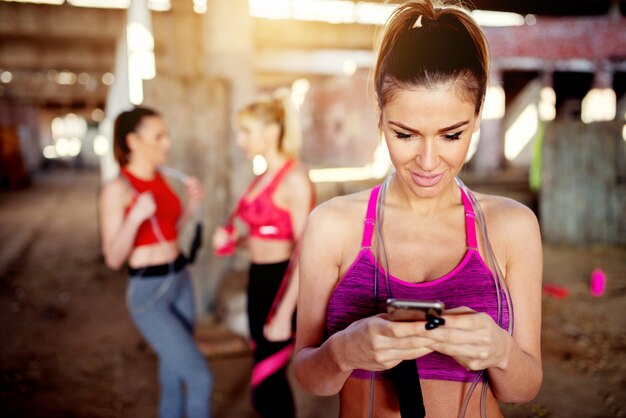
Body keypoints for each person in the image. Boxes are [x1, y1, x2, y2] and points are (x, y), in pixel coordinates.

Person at [293, 1, 543, 417]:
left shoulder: (512, 226)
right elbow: (309, 377)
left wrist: (500, 352)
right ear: (380, 116)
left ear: (478, 116)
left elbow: (522, 388)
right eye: (405, 134)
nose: (428, 161)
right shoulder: (333, 226)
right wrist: (342, 351)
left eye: (451, 135)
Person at [99, 107, 212, 418]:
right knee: (200, 377)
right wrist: (134, 218)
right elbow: (113, 258)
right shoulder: (117, 190)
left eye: (166, 135)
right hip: (149, 293)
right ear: (133, 141)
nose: (167, 143)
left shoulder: (163, 178)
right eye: (158, 136)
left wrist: (190, 206)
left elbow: (167, 233)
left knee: (173, 374)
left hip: (180, 280)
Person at [213, 91, 314, 418]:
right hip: (258, 278)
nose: (240, 140)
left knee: (267, 380)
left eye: (246, 131)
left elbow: (307, 251)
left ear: (271, 132)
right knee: (265, 375)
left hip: (282, 283)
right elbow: (266, 232)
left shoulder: (295, 178)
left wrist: (285, 313)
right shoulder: (261, 176)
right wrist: (234, 239)